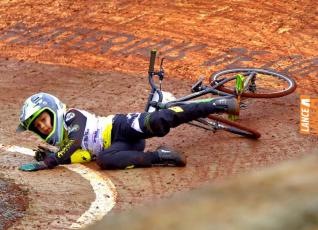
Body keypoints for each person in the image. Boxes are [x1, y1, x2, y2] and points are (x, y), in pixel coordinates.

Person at [17, 92, 239, 171]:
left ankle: (218, 103)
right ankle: (160, 157)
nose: (44, 127)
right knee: (104, 160)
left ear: (53, 110)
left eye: (43, 120)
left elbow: (76, 141)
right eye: (38, 127)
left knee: (160, 119)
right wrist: (53, 157)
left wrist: (50, 162)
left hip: (120, 127)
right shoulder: (61, 144)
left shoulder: (71, 116)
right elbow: (83, 155)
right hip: (122, 148)